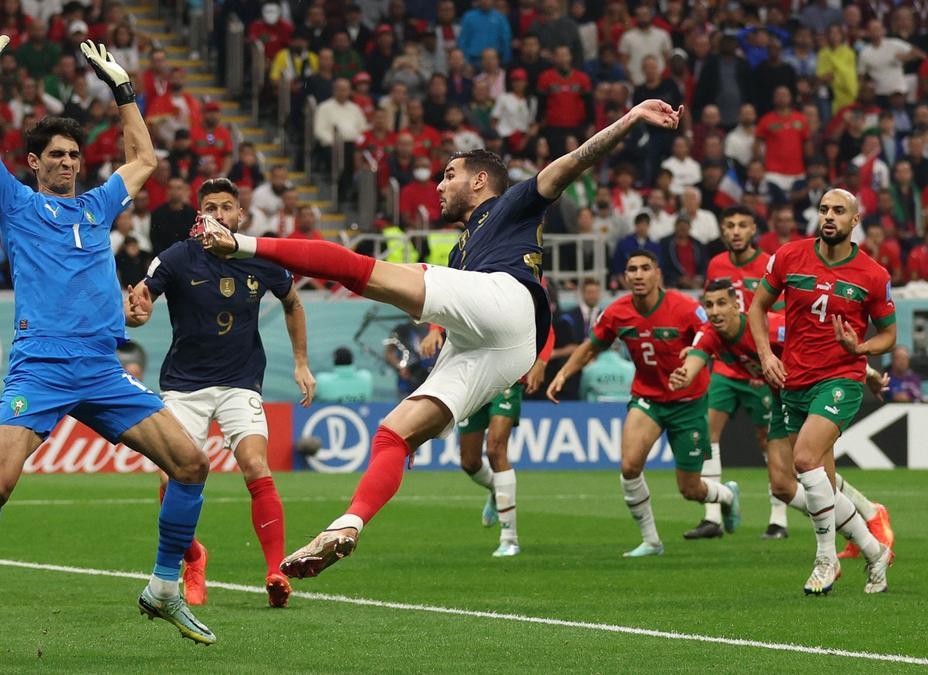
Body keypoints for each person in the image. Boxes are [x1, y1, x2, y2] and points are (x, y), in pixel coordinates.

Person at [199, 99, 684, 578]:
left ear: (479, 180)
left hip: (507, 304)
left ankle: (243, 244)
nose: (439, 184)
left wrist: (631, 117)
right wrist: (438, 329)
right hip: (502, 347)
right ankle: (347, 524)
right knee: (394, 432)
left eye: (449, 174)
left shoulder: (512, 202)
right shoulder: (460, 251)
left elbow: (571, 163)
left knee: (361, 269)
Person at [0, 19, 216, 645]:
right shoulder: (12, 200)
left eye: (73, 155)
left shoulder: (98, 204)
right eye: (56, 155)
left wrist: (122, 89)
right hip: (39, 365)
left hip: (101, 367)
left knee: (191, 464)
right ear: (34, 163)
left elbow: (143, 157)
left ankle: (164, 588)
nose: (67, 162)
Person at [128, 177, 315, 610]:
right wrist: (135, 314)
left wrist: (301, 362)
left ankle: (275, 572)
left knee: (255, 465)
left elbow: (293, 302)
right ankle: (193, 557)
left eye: (227, 206)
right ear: (200, 215)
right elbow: (142, 305)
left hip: (239, 382)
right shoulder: (176, 258)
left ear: (239, 214)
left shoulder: (260, 255)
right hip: (183, 387)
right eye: (210, 206)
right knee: (169, 477)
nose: (219, 213)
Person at [672, 280, 894, 577]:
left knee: (816, 473)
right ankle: (860, 522)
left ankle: (863, 523)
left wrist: (871, 374)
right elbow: (694, 362)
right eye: (709, 305)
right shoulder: (711, 335)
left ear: (737, 306)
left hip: (815, 393)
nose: (715, 311)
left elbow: (827, 346)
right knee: (783, 485)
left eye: (722, 303)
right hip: (782, 399)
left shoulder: (772, 326)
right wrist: (682, 375)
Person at [748, 189, 895, 595]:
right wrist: (766, 355)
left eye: (839, 211)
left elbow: (889, 335)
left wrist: (860, 350)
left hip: (840, 379)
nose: (829, 216)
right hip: (793, 379)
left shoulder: (872, 275)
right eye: (824, 209)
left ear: (855, 220)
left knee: (804, 458)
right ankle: (875, 550)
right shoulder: (789, 257)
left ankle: (826, 560)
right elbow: (757, 308)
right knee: (821, 485)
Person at [547, 250, 740, 556]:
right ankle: (651, 540)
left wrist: (691, 364)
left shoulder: (686, 308)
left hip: (688, 403)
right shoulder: (617, 312)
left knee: (690, 489)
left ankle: (726, 496)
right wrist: (563, 373)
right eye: (631, 269)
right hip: (647, 398)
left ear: (657, 274)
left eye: (644, 268)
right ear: (625, 277)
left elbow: (709, 339)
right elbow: (590, 347)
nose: (638, 274)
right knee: (629, 466)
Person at [421, 326, 553, 557]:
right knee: (469, 462)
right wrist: (434, 329)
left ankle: (509, 539)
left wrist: (541, 361)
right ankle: (495, 489)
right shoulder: (472, 288)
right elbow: (451, 301)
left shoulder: (521, 289)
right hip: (472, 377)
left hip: (507, 376)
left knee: (495, 449)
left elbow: (545, 324)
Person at [694, 206, 784, 540]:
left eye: (742, 226)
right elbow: (711, 309)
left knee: (768, 440)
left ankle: (778, 518)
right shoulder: (716, 264)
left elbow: (780, 314)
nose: (735, 231)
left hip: (760, 365)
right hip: (727, 365)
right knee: (707, 432)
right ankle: (713, 515)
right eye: (729, 225)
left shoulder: (768, 264)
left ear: (753, 230)